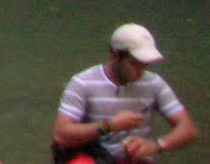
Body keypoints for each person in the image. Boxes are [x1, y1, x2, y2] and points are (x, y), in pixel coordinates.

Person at [53, 23, 199, 163]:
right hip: (94, 156)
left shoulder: (154, 83)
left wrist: (156, 146)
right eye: (135, 64)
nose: (141, 71)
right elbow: (61, 134)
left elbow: (188, 129)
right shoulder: (83, 83)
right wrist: (109, 125)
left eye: (145, 64)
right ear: (116, 55)